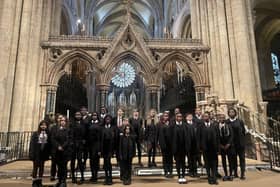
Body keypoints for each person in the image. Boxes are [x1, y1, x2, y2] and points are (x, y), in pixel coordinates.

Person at [51, 116, 73, 187]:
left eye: (64, 121)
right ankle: (59, 180)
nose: (62, 122)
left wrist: (62, 146)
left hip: (65, 151)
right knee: (59, 167)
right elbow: (53, 139)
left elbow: (69, 140)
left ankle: (63, 181)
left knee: (64, 167)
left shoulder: (68, 130)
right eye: (61, 121)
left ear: (66, 122)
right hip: (57, 151)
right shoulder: (56, 130)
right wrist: (58, 146)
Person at [227, 108, 246, 180]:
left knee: (242, 158)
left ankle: (242, 173)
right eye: (230, 112)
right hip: (232, 144)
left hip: (240, 143)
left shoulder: (240, 121)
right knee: (233, 159)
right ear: (228, 113)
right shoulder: (227, 122)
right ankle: (235, 173)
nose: (231, 113)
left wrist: (243, 141)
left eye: (233, 112)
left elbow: (243, 131)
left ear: (235, 113)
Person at [29, 120, 50, 187]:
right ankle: (34, 182)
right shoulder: (36, 133)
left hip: (43, 153)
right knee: (35, 168)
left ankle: (40, 181)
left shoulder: (47, 134)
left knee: (41, 168)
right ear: (40, 126)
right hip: (36, 153)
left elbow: (49, 144)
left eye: (45, 125)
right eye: (42, 125)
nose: (43, 126)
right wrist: (31, 153)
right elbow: (32, 144)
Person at [201, 112, 219, 185]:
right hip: (205, 148)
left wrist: (218, 148)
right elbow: (198, 137)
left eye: (207, 116)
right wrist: (200, 147)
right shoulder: (200, 126)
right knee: (207, 164)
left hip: (213, 148)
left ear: (209, 117)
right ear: (203, 118)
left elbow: (217, 137)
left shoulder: (214, 125)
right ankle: (209, 177)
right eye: (205, 116)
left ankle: (214, 178)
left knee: (214, 163)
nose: (206, 117)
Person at [173, 113, 191, 184]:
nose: (179, 117)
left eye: (180, 116)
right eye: (178, 116)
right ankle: (179, 176)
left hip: (184, 148)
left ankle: (183, 176)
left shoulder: (185, 126)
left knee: (183, 163)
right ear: (176, 117)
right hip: (176, 148)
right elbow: (171, 138)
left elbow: (188, 137)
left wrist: (188, 147)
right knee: (177, 163)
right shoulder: (173, 126)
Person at [101, 115, 117, 185]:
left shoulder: (113, 128)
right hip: (104, 148)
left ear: (111, 120)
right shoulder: (102, 128)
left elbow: (115, 139)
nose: (107, 120)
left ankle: (110, 178)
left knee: (108, 163)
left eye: (109, 119)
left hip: (111, 148)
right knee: (105, 163)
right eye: (106, 119)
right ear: (105, 120)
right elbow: (100, 139)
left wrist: (114, 149)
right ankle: (106, 178)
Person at [70, 111, 86, 184]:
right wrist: (72, 142)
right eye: (76, 115)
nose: (78, 116)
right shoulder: (72, 123)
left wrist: (84, 140)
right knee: (73, 161)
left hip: (80, 144)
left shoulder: (83, 124)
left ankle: (82, 176)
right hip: (73, 144)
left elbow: (85, 133)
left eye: (79, 115)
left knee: (80, 160)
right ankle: (73, 176)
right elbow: (70, 134)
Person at [218, 113, 234, 181]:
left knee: (230, 160)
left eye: (223, 118)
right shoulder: (217, 126)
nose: (222, 119)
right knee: (224, 161)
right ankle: (225, 174)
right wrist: (220, 144)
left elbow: (232, 135)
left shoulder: (228, 125)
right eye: (221, 118)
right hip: (221, 146)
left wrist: (228, 144)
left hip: (228, 146)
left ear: (225, 118)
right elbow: (216, 136)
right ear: (219, 119)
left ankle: (230, 174)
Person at [158, 112, 173, 178]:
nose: (166, 117)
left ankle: (170, 171)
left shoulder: (171, 124)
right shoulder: (160, 124)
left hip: (171, 145)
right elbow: (159, 135)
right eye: (165, 116)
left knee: (170, 158)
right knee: (165, 158)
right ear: (163, 117)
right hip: (164, 144)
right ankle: (166, 171)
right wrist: (160, 144)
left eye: (167, 116)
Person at [88, 112, 102, 183]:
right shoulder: (89, 124)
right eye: (93, 115)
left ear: (97, 116)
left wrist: (99, 149)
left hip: (97, 145)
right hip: (90, 145)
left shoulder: (100, 124)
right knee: (91, 161)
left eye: (95, 115)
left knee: (96, 161)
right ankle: (92, 175)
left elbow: (100, 137)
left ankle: (95, 176)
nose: (94, 116)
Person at [185, 113, 200, 178]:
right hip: (188, 145)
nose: (190, 117)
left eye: (191, 116)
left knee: (195, 159)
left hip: (195, 145)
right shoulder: (184, 125)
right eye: (189, 116)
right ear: (186, 118)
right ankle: (190, 171)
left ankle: (195, 171)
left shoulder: (195, 124)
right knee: (189, 159)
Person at [49, 114, 63, 181]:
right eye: (59, 118)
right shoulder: (53, 127)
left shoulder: (65, 127)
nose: (60, 120)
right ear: (57, 119)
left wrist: (62, 146)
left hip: (62, 147)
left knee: (60, 163)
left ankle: (60, 175)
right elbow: (52, 138)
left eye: (61, 119)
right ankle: (52, 175)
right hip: (55, 148)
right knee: (53, 162)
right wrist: (57, 146)